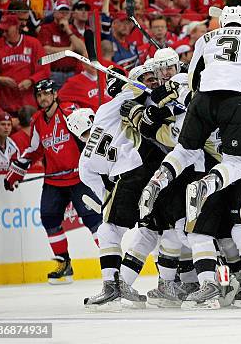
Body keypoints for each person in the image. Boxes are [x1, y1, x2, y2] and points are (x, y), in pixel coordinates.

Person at [138, 5, 241, 305]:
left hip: (203, 100)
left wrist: (189, 103)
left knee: (184, 149)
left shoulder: (205, 39)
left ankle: (161, 177)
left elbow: (192, 77)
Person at [3, 79, 103, 285]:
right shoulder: (38, 119)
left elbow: (89, 137)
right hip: (54, 180)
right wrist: (17, 169)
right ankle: (64, 265)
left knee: (93, 219)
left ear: (55, 94)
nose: (43, 98)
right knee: (49, 219)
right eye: (39, 95)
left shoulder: (69, 112)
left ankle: (112, 261)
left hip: (79, 177)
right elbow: (35, 149)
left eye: (47, 94)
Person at [80, 64, 162, 311]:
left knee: (109, 230)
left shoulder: (103, 114)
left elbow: (92, 176)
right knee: (151, 231)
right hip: (149, 172)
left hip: (131, 174)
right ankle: (124, 282)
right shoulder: (124, 101)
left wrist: (106, 197)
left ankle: (111, 286)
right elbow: (142, 91)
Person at [0, 14, 48, 114]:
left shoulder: (34, 44)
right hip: (4, 103)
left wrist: (31, 80)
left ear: (17, 27)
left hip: (28, 103)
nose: (3, 33)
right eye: (2, 30)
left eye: (6, 30)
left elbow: (44, 70)